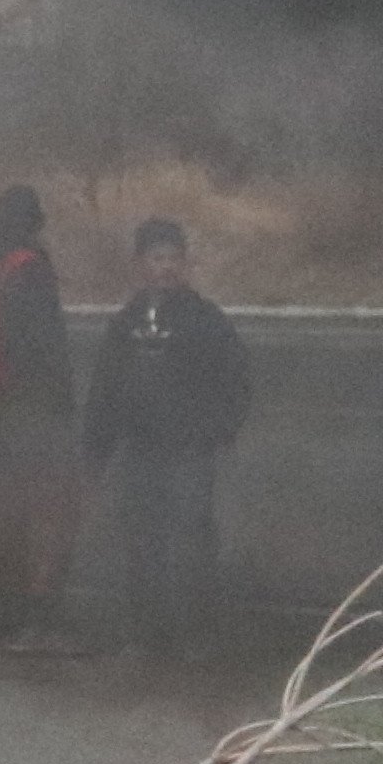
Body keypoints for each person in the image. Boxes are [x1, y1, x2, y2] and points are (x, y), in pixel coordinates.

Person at [80, 215, 252, 662]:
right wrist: (95, 452)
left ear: (186, 263)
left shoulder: (206, 320)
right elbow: (105, 389)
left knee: (192, 543)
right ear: (140, 264)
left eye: (174, 258)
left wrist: (215, 431)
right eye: (157, 258)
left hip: (189, 453)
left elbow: (235, 382)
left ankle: (196, 634)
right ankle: (144, 633)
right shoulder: (125, 324)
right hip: (139, 451)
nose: (166, 267)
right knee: (142, 544)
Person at [0, 183, 81, 646]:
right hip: (31, 409)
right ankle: (35, 620)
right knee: (41, 515)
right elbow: (43, 345)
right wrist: (62, 403)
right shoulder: (30, 269)